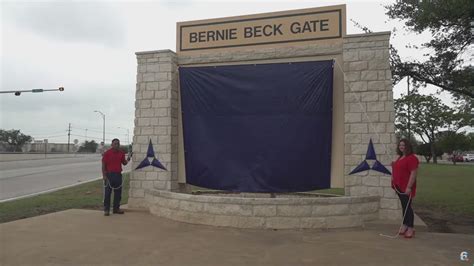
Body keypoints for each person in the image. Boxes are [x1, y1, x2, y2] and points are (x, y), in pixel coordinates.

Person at [391, 138, 419, 238]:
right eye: (400, 145)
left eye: (403, 145)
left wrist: (409, 187)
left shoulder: (412, 158)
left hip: (406, 187)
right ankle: (405, 224)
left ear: (408, 146)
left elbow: (413, 173)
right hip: (398, 186)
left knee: (408, 207)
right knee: (404, 206)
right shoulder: (400, 157)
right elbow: (396, 168)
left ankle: (411, 228)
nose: (401, 147)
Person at [102, 138, 131, 216]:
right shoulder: (107, 153)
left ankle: (116, 209)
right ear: (112, 145)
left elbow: (124, 163)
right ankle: (106, 210)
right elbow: (103, 165)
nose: (117, 145)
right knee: (108, 193)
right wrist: (104, 175)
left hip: (118, 175)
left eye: (118, 143)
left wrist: (128, 158)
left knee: (118, 193)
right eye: (115, 143)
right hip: (109, 175)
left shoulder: (121, 153)